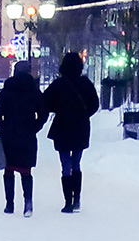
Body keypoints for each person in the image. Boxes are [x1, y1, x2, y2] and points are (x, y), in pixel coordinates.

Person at [42, 52, 100, 213]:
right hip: (81, 127)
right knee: (76, 163)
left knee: (65, 165)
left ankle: (68, 202)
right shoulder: (86, 84)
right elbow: (95, 104)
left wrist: (59, 110)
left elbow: (46, 102)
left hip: (62, 127)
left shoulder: (58, 85)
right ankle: (77, 198)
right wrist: (84, 114)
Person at [0, 61, 47, 216]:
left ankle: (10, 204)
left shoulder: (7, 90)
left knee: (8, 170)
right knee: (25, 171)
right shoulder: (34, 91)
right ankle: (28, 203)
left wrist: (2, 127)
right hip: (27, 135)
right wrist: (35, 127)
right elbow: (43, 113)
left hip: (8, 135)